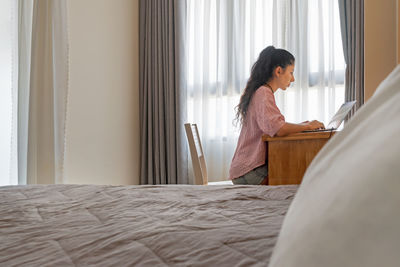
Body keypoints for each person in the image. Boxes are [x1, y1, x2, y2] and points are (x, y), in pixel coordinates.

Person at [229, 46, 324, 185]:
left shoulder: (260, 92)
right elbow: (278, 128)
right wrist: (308, 126)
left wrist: (303, 126)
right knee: (295, 174)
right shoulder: (263, 93)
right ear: (278, 71)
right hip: (250, 171)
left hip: (245, 169)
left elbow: (274, 126)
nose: (293, 79)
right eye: (291, 72)